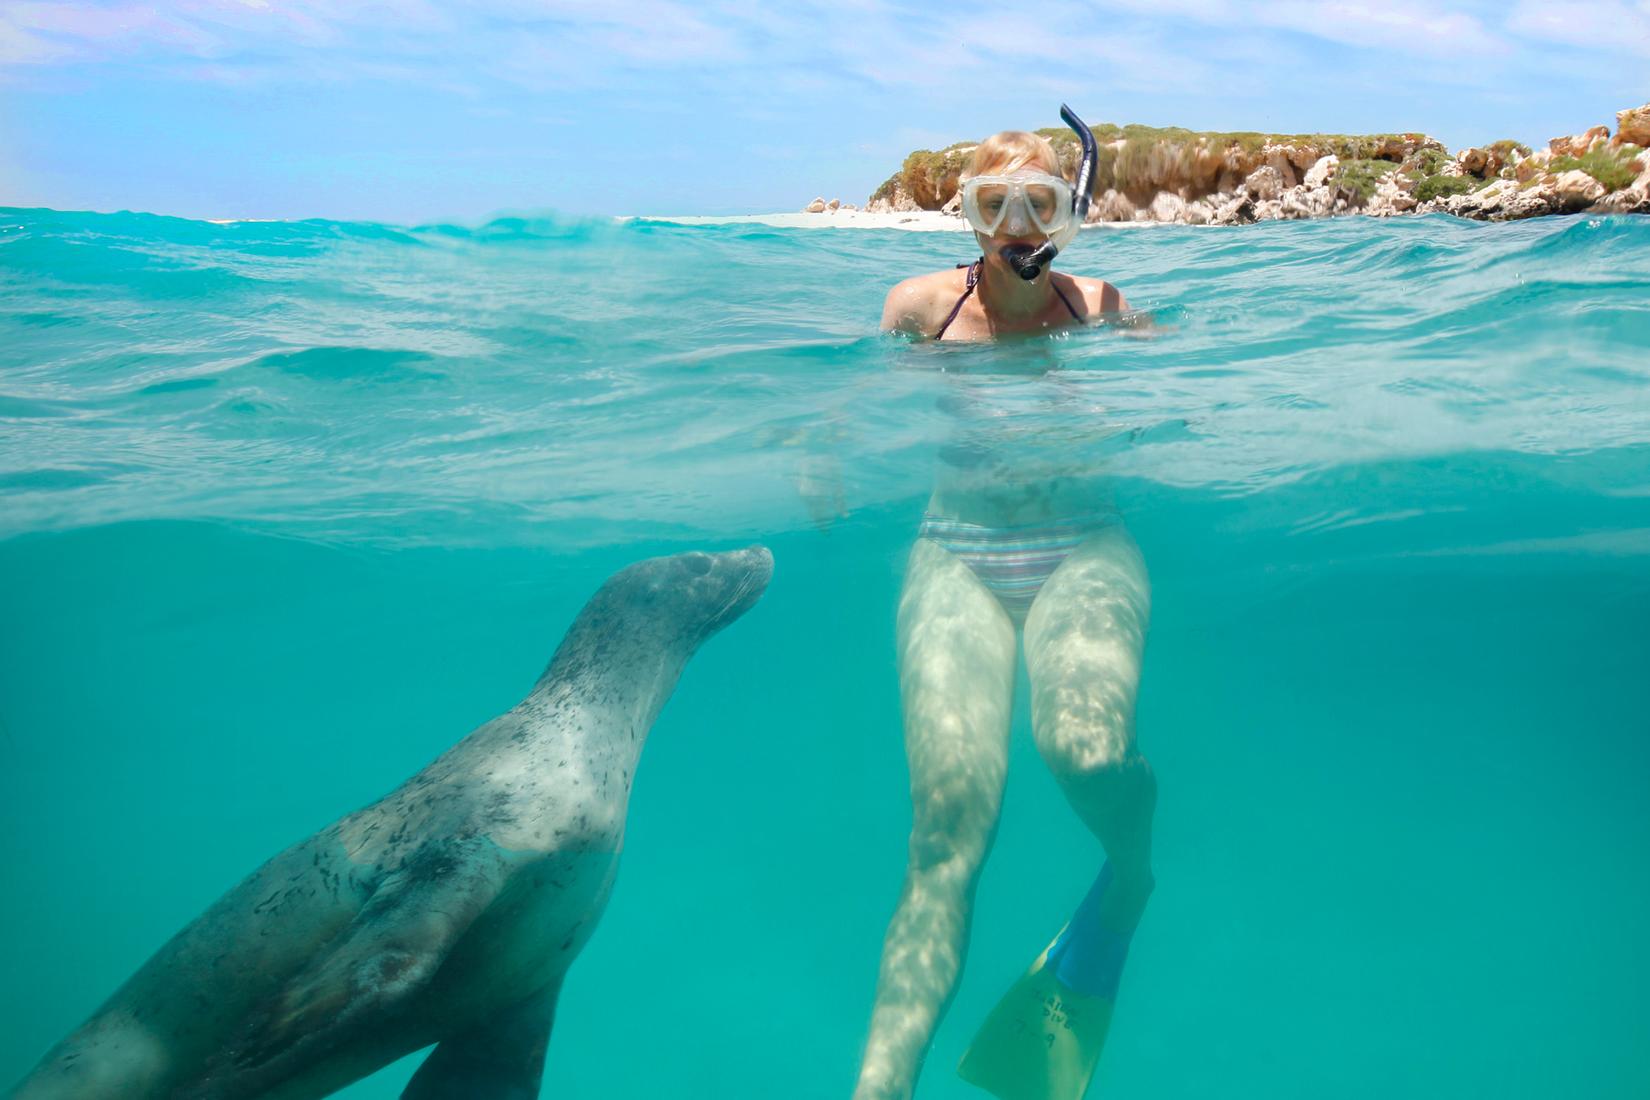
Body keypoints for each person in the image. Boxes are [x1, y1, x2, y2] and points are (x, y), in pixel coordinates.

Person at [853, 107, 1156, 1100]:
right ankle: (880, 1083)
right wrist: (820, 454)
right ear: (970, 219)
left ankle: (1132, 863)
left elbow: (1178, 383)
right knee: (948, 826)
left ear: (1068, 216)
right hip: (960, 560)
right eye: (997, 206)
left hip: (1082, 548)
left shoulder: (1100, 304)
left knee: (1088, 750)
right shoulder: (917, 309)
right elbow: (849, 403)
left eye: (1040, 205)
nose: (1019, 227)